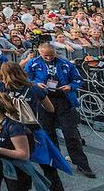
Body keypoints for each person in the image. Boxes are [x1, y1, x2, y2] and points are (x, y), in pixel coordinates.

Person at [0, 62, 92, 191]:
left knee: (11, 174)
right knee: (49, 169)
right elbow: (50, 109)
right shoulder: (34, 88)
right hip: (32, 132)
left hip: (8, 134)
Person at [24, 42, 94, 178]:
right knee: (48, 131)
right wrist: (35, 84)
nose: (49, 58)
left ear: (55, 52)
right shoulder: (33, 63)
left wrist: (70, 86)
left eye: (51, 55)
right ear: (40, 53)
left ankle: (81, 163)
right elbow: (26, 78)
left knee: (71, 132)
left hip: (63, 99)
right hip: (44, 98)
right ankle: (55, 160)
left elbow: (78, 80)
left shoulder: (66, 63)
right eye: (45, 56)